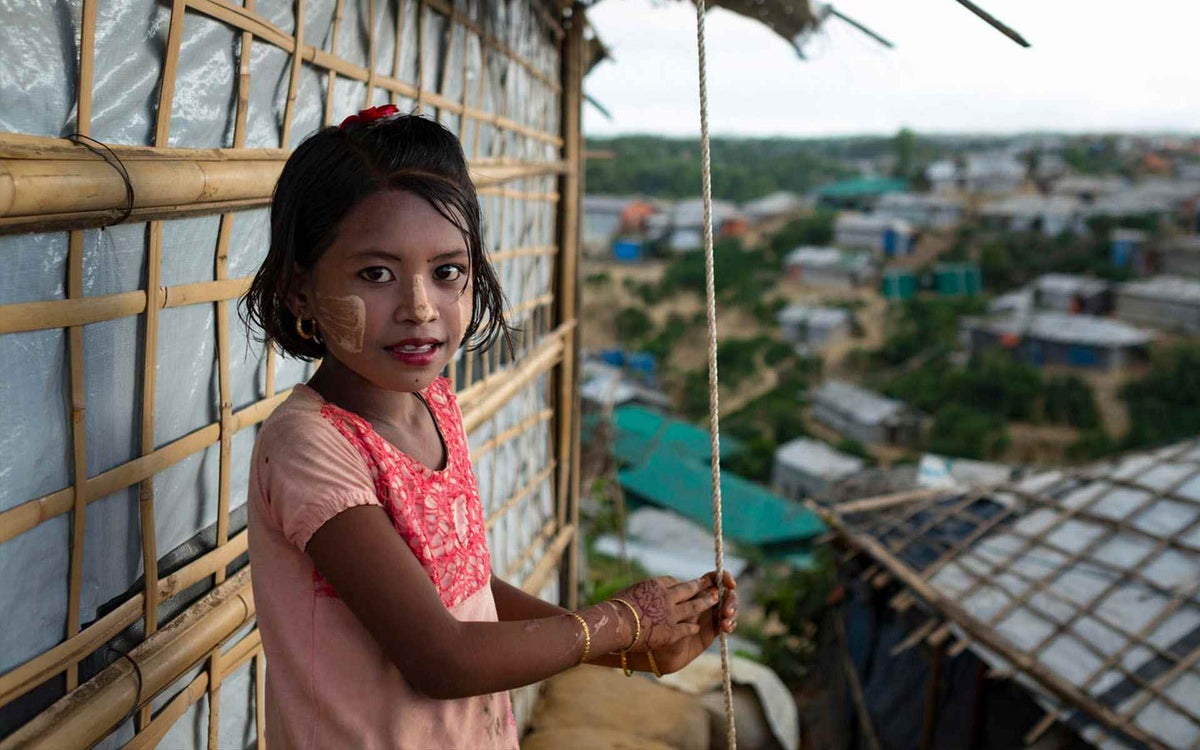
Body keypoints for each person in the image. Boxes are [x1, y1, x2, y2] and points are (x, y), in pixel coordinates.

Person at [241, 107, 738, 749]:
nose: (420, 307)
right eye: (376, 274)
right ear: (299, 290)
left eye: (447, 272)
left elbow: (469, 598)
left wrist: (636, 646)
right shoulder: (310, 447)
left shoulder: (434, 403)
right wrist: (615, 624)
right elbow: (442, 656)